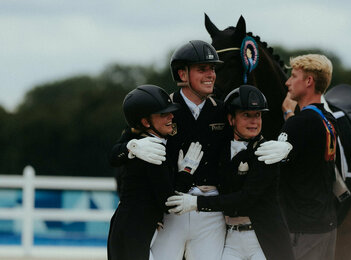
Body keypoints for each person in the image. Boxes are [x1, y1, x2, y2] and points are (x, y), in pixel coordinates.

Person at [109, 40, 292, 260]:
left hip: (211, 212)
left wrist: (287, 145)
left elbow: (253, 130)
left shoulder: (224, 109)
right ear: (182, 74)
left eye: (213, 69)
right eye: (202, 69)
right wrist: (130, 147)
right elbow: (116, 153)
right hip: (172, 209)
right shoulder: (162, 109)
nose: (211, 75)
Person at [166, 85, 295, 260]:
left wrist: (196, 203)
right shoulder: (221, 148)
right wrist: (185, 172)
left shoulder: (267, 152)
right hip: (232, 239)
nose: (254, 122)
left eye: (257, 115)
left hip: (262, 239)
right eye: (246, 115)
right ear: (231, 119)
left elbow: (245, 200)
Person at [107, 85, 204, 260]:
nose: (171, 117)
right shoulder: (152, 150)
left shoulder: (146, 140)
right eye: (163, 114)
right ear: (146, 122)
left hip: (128, 226)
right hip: (134, 231)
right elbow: (167, 202)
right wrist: (186, 173)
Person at [279, 54, 338, 260]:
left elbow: (275, 169)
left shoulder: (298, 124)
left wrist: (288, 119)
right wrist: (289, 115)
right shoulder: (328, 120)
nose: (288, 82)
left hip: (303, 229)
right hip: (326, 225)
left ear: (309, 81)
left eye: (294, 76)